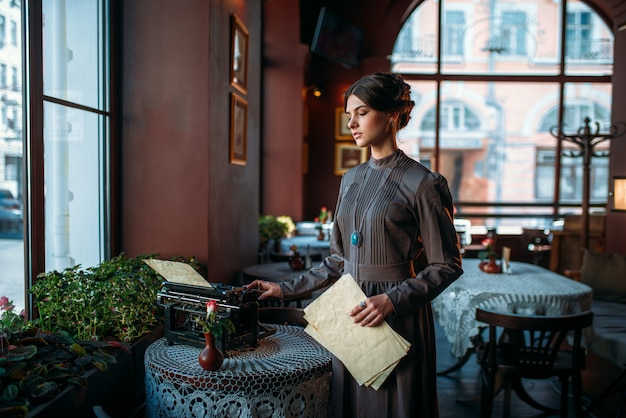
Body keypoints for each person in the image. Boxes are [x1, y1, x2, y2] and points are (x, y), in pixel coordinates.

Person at [248, 72, 463, 418]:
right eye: (349, 115)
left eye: (361, 113)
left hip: (396, 316)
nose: (352, 123)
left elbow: (447, 265)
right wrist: (285, 289)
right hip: (349, 314)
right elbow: (337, 259)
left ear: (393, 115)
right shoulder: (350, 179)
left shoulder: (424, 183)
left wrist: (393, 300)